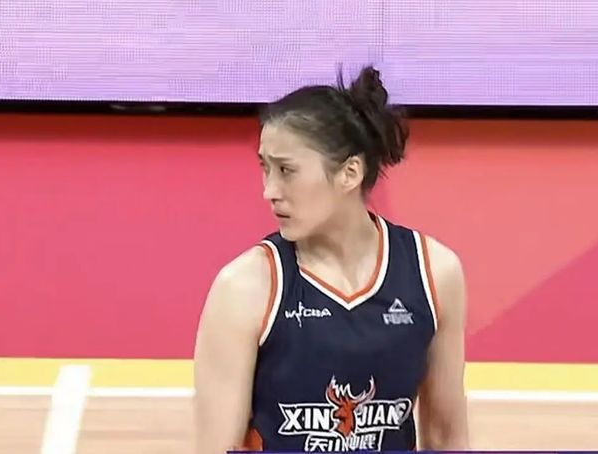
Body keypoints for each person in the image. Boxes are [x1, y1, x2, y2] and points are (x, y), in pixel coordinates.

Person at [193, 66, 469, 453]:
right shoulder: (245, 287)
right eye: (265, 168)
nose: (269, 190)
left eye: (286, 170)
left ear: (349, 173)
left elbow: (446, 438)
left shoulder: (433, 273)